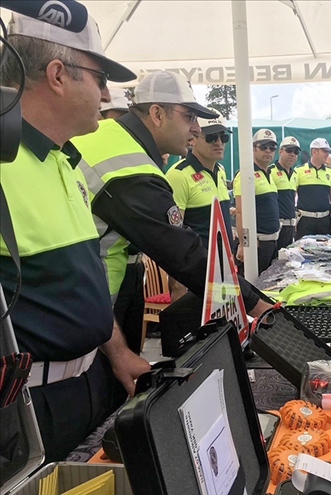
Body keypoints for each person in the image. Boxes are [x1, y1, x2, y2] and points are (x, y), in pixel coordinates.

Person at [0, 12, 150, 462]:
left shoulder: (65, 161)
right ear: (58, 75)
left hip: (91, 386)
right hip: (25, 412)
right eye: (100, 77)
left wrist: (119, 353)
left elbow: (81, 286)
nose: (107, 95)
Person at [72, 70, 269, 317]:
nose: (197, 129)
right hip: (87, 307)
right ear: (157, 114)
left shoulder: (111, 136)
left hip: (87, 296)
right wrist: (257, 306)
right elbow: (182, 253)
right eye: (189, 117)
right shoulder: (129, 168)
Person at [99, 89, 144, 354]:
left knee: (133, 348)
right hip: (105, 280)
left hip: (135, 270)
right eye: (116, 120)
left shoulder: (130, 161)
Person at [165, 109, 233, 249]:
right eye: (212, 137)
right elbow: (174, 234)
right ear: (193, 139)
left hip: (225, 263)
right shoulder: (178, 175)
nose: (219, 142)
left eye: (223, 137)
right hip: (198, 266)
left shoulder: (220, 170)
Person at [234, 129, 280, 274]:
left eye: (272, 147)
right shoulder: (246, 175)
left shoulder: (269, 174)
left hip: (271, 242)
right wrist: (243, 244)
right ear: (253, 149)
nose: (268, 151)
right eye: (263, 146)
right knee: (251, 288)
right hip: (257, 244)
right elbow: (240, 212)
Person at [295, 138, 331, 239]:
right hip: (305, 219)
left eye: (328, 151)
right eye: (324, 151)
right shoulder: (299, 171)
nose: (327, 154)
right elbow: (292, 195)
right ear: (314, 151)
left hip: (324, 220)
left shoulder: (330, 172)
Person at [271, 136, 300, 252]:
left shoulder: (295, 173)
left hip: (290, 226)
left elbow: (292, 198)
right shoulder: (270, 171)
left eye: (296, 151)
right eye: (289, 150)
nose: (292, 154)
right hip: (277, 226)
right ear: (280, 151)